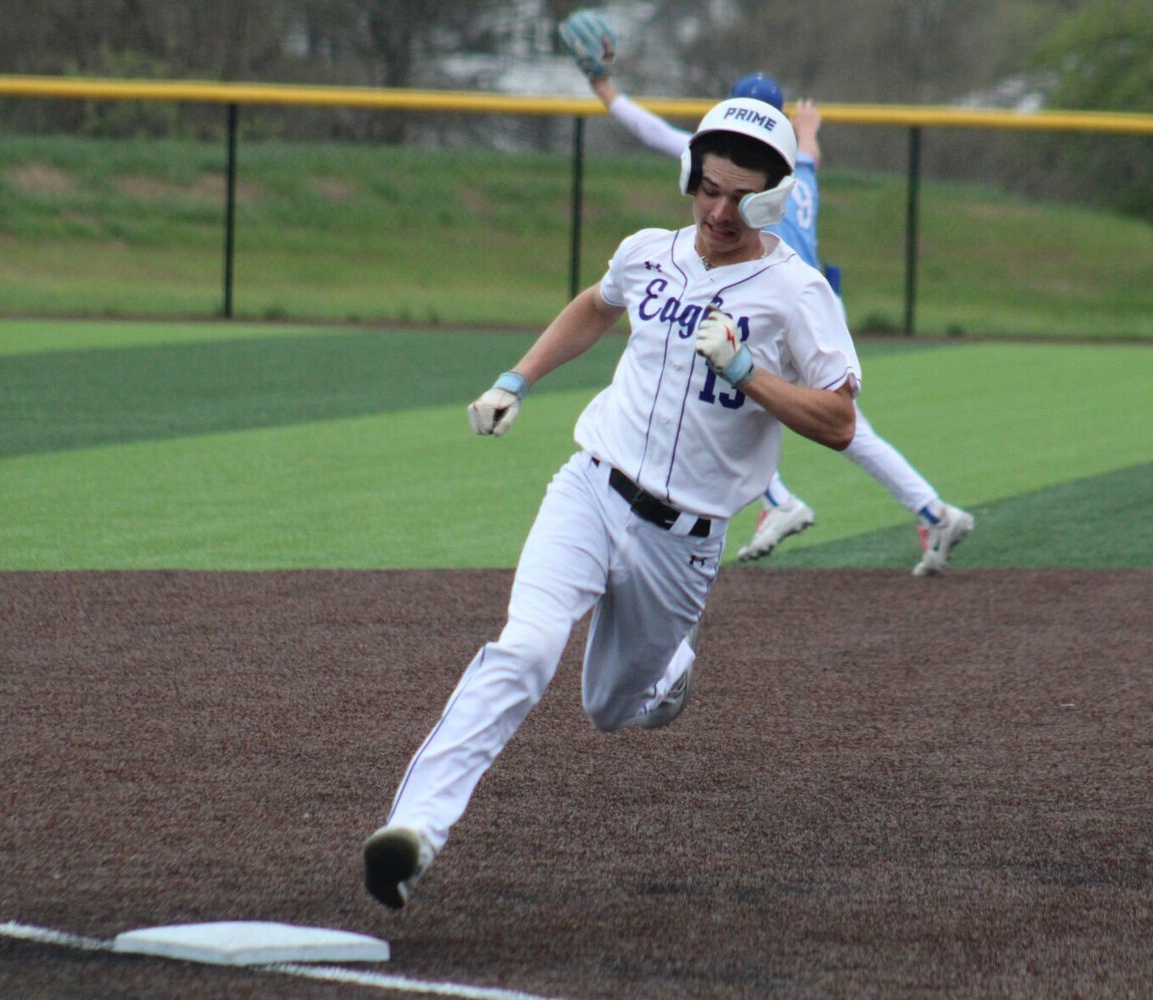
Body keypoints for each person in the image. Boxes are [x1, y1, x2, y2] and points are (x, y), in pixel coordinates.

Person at [362, 96, 861, 909]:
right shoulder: (648, 253)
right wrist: (514, 379)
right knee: (523, 653)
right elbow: (597, 308)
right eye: (707, 187)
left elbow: (839, 422)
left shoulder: (796, 295)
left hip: (685, 541)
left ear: (772, 200)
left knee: (608, 709)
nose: (718, 209)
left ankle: (672, 669)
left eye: (740, 197)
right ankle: (414, 836)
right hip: (591, 489)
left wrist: (748, 374)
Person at [560, 11, 974, 576]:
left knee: (724, 393)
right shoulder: (796, 165)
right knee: (783, 409)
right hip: (812, 299)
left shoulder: (729, 164)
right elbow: (810, 157)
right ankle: (928, 509)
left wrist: (605, 89)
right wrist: (807, 135)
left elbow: (653, 132)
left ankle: (784, 503)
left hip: (770, 296)